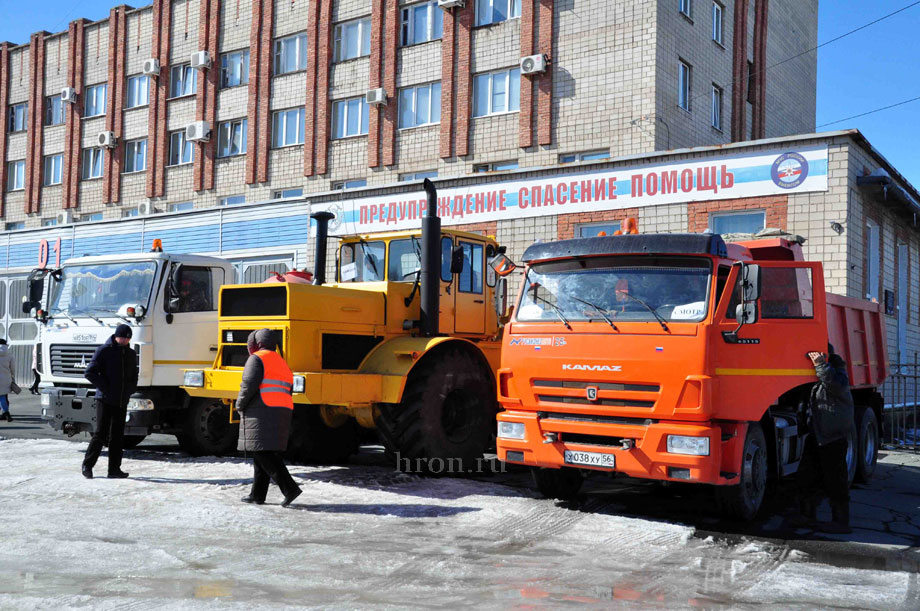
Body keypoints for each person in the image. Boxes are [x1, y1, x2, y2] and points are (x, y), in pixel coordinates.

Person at [236, 329, 302, 507]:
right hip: (281, 410)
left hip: (262, 410)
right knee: (262, 451)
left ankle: (290, 488)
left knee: (262, 452)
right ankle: (257, 494)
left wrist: (239, 404)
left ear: (256, 343)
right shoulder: (280, 361)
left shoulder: (257, 359)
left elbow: (248, 385)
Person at [794, 345, 855, 534]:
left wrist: (821, 365)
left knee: (835, 480)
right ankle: (807, 516)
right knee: (807, 476)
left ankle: (841, 521)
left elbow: (836, 385)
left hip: (832, 436)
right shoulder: (815, 379)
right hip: (817, 434)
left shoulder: (837, 372)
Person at [82, 324, 139, 479]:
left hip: (122, 400)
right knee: (100, 433)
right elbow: (89, 372)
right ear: (116, 336)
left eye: (128, 338)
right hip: (105, 399)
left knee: (117, 436)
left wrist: (130, 389)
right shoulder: (104, 351)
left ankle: (114, 469)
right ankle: (87, 465)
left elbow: (134, 374)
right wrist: (106, 388)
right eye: (123, 337)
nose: (125, 340)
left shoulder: (131, 354)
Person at [0, 339, 17, 422]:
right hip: (6, 379)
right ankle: (5, 413)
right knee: (3, 396)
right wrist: (12, 377)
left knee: (1, 397)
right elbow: (12, 368)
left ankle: (6, 413)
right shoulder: (10, 355)